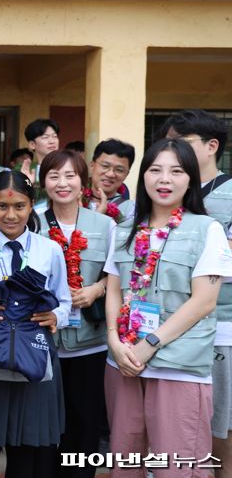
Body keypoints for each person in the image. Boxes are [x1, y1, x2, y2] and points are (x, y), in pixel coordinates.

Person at [104, 138, 232, 478]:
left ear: (190, 178)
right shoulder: (122, 232)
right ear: (143, 176)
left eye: (176, 171)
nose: (164, 179)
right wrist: (115, 341)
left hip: (178, 366)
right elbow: (114, 291)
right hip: (123, 363)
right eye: (155, 169)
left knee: (179, 469)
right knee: (125, 465)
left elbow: (204, 301)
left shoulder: (208, 230)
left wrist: (150, 345)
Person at [0, 170, 71, 478]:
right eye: (2, 207)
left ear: (32, 205)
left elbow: (65, 300)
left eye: (19, 206)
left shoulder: (50, 250)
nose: (10, 215)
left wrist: (56, 316)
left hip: (35, 357)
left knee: (27, 451)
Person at [156, 109, 232, 476]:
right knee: (180, 433)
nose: (172, 153)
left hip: (222, 328)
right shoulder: (161, 197)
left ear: (212, 146)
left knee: (221, 430)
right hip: (163, 334)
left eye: (181, 144)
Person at [37, 150, 114, 478]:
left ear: (84, 181)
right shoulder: (32, 220)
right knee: (43, 427)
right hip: (43, 343)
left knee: (85, 426)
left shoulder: (106, 224)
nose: (62, 183)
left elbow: (118, 273)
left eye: (70, 176)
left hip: (90, 344)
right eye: (54, 176)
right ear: (44, 183)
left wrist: (96, 290)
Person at [85, 139, 135, 224]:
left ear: (126, 174)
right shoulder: (74, 200)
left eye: (119, 170)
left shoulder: (132, 210)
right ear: (92, 166)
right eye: (105, 166)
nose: (110, 174)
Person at [17, 118, 60, 209]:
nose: (52, 141)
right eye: (45, 137)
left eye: (55, 136)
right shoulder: (23, 169)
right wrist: (27, 184)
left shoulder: (67, 167)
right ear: (32, 144)